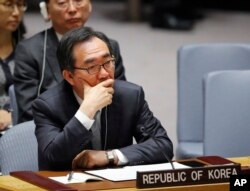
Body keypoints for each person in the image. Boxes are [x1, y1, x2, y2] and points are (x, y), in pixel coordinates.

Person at [32, 27, 173, 170]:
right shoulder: (47, 106)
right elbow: (53, 157)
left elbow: (163, 145)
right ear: (69, 76)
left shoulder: (130, 96)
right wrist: (86, 111)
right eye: (92, 67)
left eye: (108, 62)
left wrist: (111, 156)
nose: (105, 74)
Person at [13, 0, 126, 124]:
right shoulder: (29, 51)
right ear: (46, 10)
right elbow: (30, 112)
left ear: (89, 5)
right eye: (62, 3)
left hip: (105, 132)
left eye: (78, 1)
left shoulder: (108, 47)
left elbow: (122, 100)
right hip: (54, 133)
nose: (72, 9)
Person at [0, 0, 26, 131]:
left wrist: (14, 115)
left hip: (21, 127)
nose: (16, 12)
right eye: (8, 5)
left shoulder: (30, 49)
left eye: (20, 5)